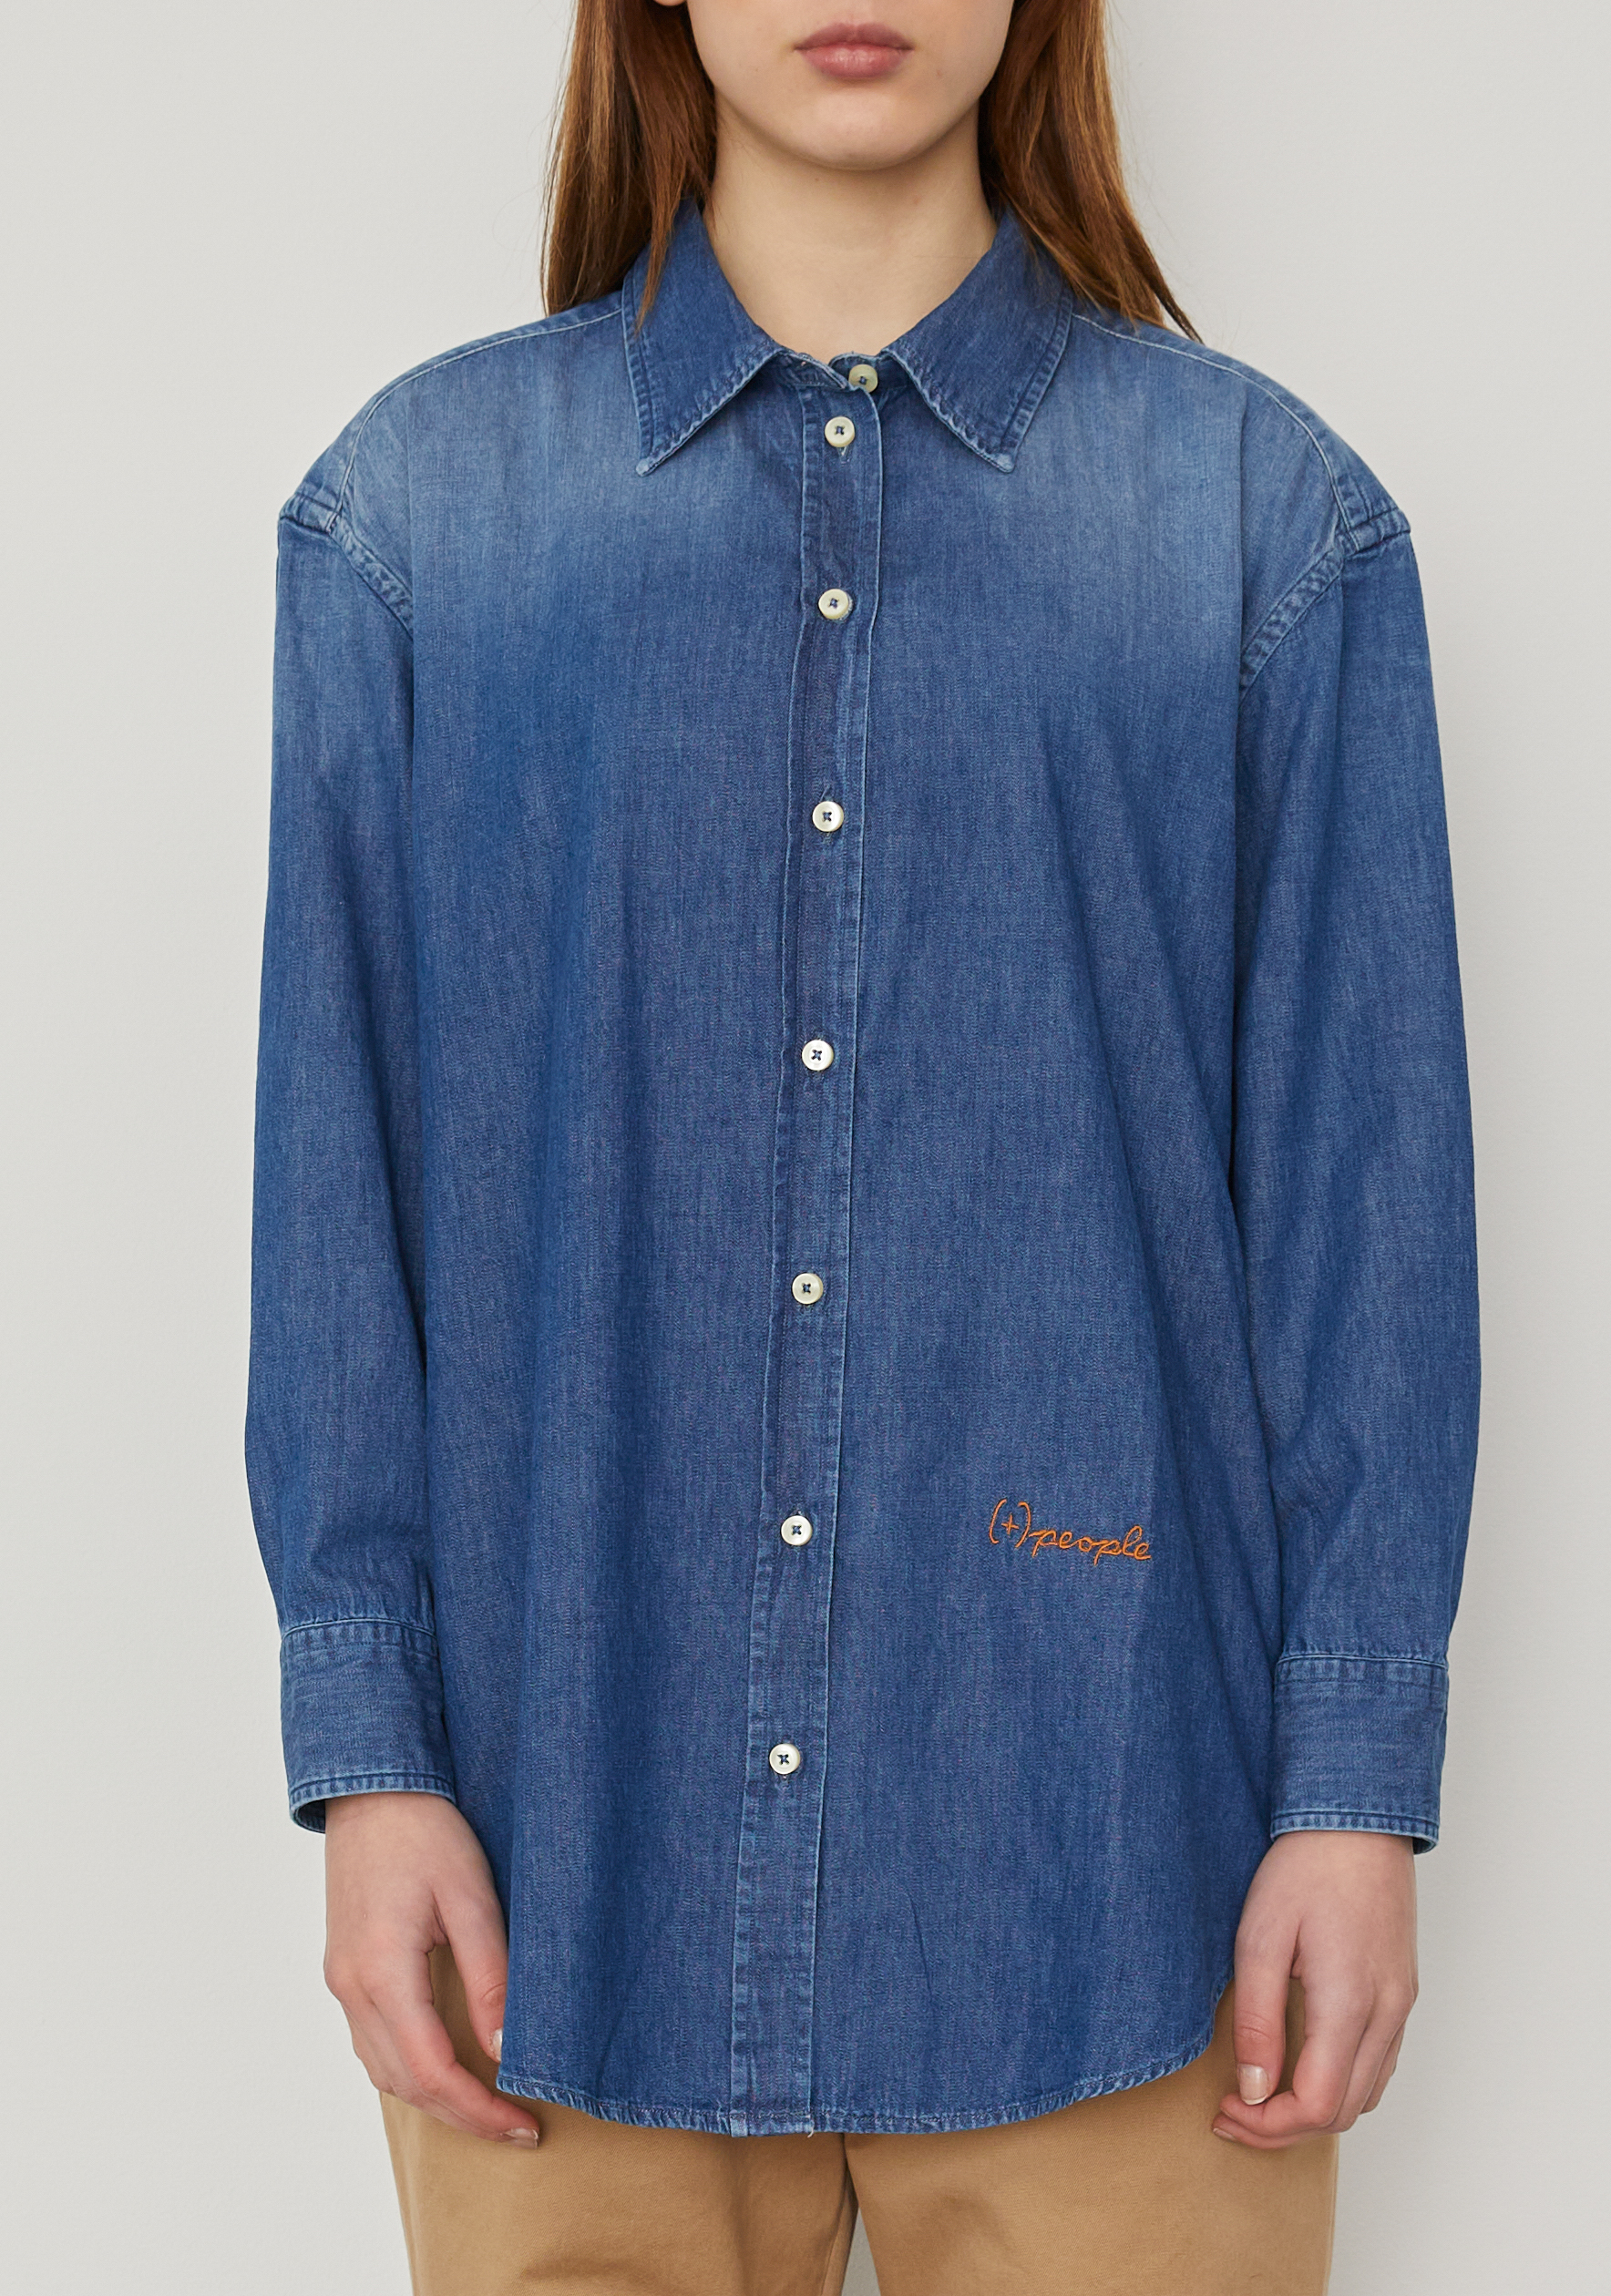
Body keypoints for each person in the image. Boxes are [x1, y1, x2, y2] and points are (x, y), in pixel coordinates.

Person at [246, 2, 1479, 2290]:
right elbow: (340, 1184)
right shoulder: (419, 527)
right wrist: (371, 1752)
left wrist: (1350, 1788)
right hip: (559, 1863)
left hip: (1120, 1858)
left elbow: (1362, 1211)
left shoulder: (1265, 528)